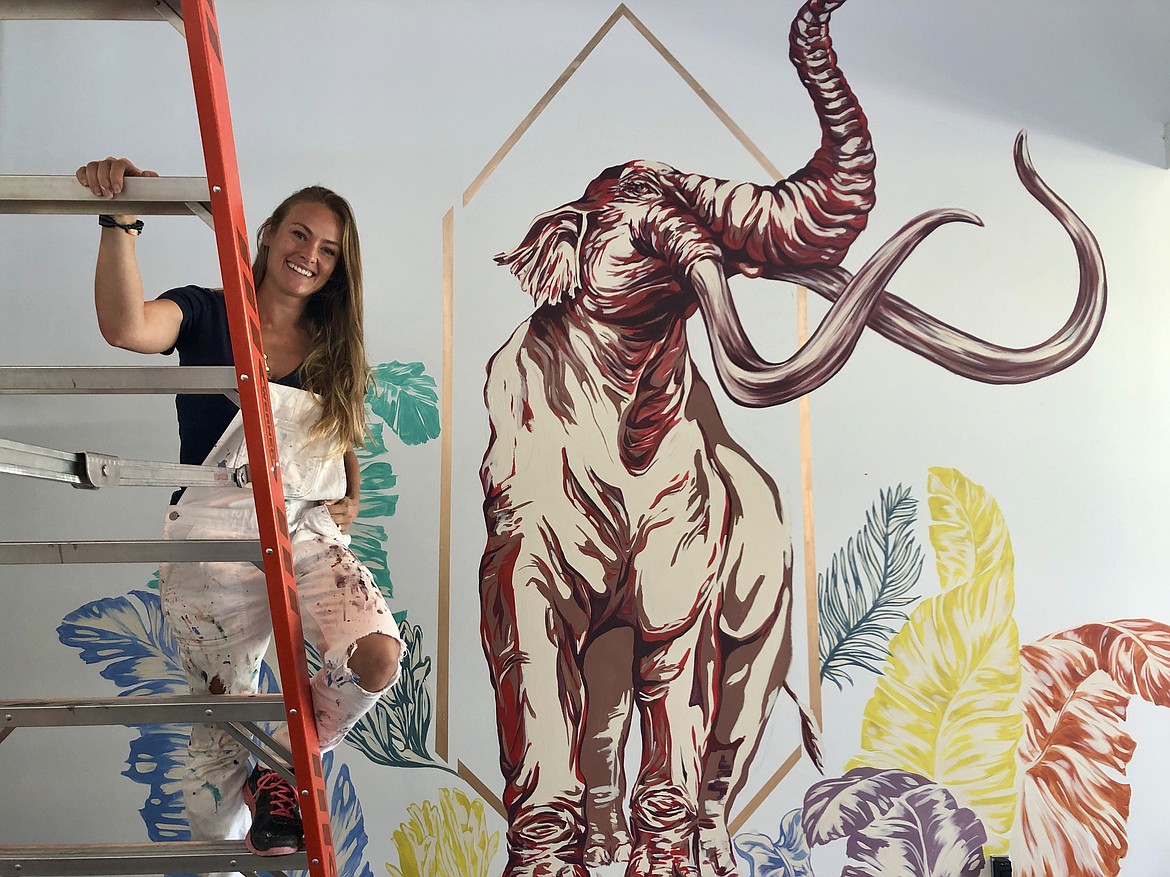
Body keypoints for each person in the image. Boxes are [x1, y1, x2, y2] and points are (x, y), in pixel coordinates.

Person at [76, 157, 404, 857]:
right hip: (210, 535)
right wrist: (120, 221)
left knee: (376, 656)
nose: (309, 255)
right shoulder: (207, 310)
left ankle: (282, 764)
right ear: (267, 232)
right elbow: (125, 326)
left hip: (304, 532)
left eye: (328, 249)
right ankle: (222, 856)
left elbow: (334, 429)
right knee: (224, 722)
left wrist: (349, 487)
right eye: (299, 233)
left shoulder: (334, 341)